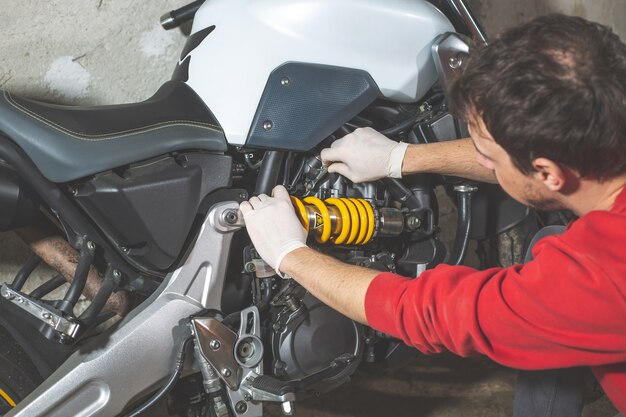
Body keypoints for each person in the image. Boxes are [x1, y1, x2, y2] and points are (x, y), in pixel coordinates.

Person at [240, 14, 626, 415]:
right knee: (548, 242)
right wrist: (400, 158)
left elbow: (428, 313)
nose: (479, 161)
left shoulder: (599, 278)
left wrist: (290, 254)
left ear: (548, 173)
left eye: (487, 156)